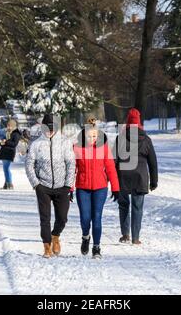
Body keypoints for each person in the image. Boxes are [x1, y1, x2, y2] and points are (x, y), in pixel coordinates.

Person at [25, 114, 76, 258]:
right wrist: (36, 184)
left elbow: (71, 164)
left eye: (52, 128)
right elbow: (29, 164)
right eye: (47, 128)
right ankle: (46, 246)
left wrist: (68, 184)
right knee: (44, 218)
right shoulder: (36, 144)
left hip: (62, 187)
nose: (49, 131)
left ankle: (55, 236)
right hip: (43, 187)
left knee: (62, 217)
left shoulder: (65, 142)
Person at [74, 116, 120, 259]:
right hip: (83, 187)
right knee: (85, 218)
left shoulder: (104, 148)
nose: (92, 138)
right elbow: (72, 169)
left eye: (94, 135)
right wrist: (69, 189)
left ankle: (96, 247)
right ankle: (85, 236)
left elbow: (111, 168)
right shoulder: (77, 148)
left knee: (97, 217)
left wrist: (115, 188)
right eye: (89, 136)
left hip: (100, 187)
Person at [114, 108, 158, 245]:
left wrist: (113, 179)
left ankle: (125, 234)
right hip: (140, 177)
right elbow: (153, 162)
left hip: (123, 177)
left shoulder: (120, 138)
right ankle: (135, 238)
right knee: (137, 207)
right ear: (139, 123)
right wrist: (154, 181)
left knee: (123, 205)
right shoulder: (146, 140)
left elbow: (113, 160)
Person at [0, 119, 21, 190]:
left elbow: (14, 144)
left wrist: (6, 142)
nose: (8, 127)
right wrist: (1, 143)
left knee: (6, 168)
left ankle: (10, 183)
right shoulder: (7, 133)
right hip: (4, 152)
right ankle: (6, 184)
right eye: (7, 126)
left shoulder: (16, 134)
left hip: (10, 152)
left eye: (10, 126)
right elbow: (3, 142)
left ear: (13, 126)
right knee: (5, 169)